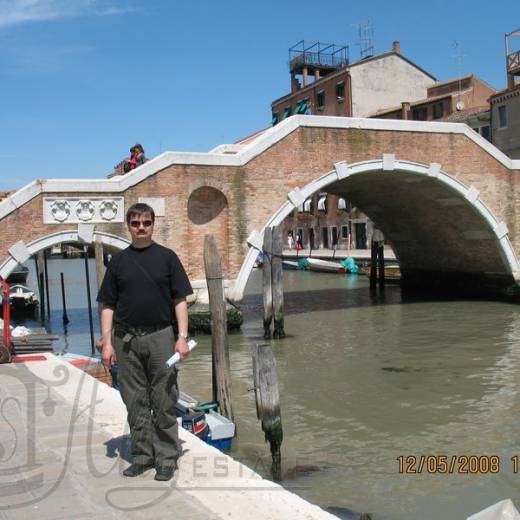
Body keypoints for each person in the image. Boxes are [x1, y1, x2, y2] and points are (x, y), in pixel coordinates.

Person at [97, 202, 192, 482]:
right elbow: (107, 304)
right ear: (129, 225)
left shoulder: (167, 258)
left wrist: (182, 338)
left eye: (146, 223)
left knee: (163, 398)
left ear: (153, 225)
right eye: (136, 223)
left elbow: (180, 300)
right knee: (134, 400)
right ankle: (142, 455)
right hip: (125, 339)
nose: (141, 228)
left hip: (160, 336)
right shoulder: (118, 263)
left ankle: (165, 457)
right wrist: (107, 341)